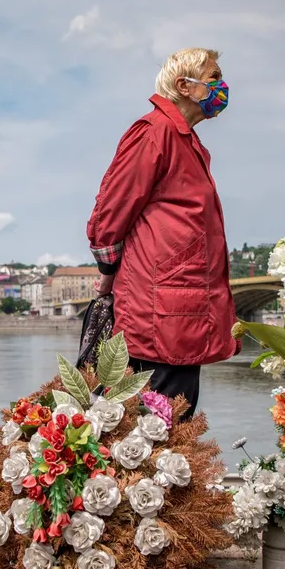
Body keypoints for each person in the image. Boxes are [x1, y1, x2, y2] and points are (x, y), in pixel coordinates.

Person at [85, 47, 238, 417]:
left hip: (179, 304)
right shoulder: (155, 132)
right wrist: (108, 272)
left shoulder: (181, 138)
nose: (223, 87)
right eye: (214, 79)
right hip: (161, 309)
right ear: (185, 86)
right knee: (160, 419)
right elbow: (111, 210)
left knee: (173, 415)